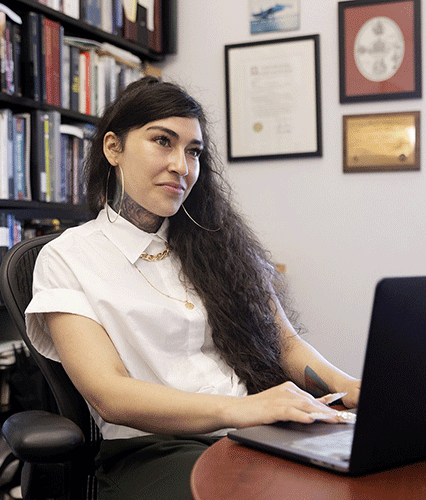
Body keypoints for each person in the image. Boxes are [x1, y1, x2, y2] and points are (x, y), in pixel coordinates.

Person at [25, 76, 360, 500]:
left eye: (193, 151)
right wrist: (244, 410)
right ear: (113, 148)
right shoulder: (68, 258)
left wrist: (346, 385)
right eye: (162, 141)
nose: (182, 166)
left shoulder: (218, 246)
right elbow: (109, 394)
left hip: (255, 434)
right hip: (154, 450)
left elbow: (285, 344)